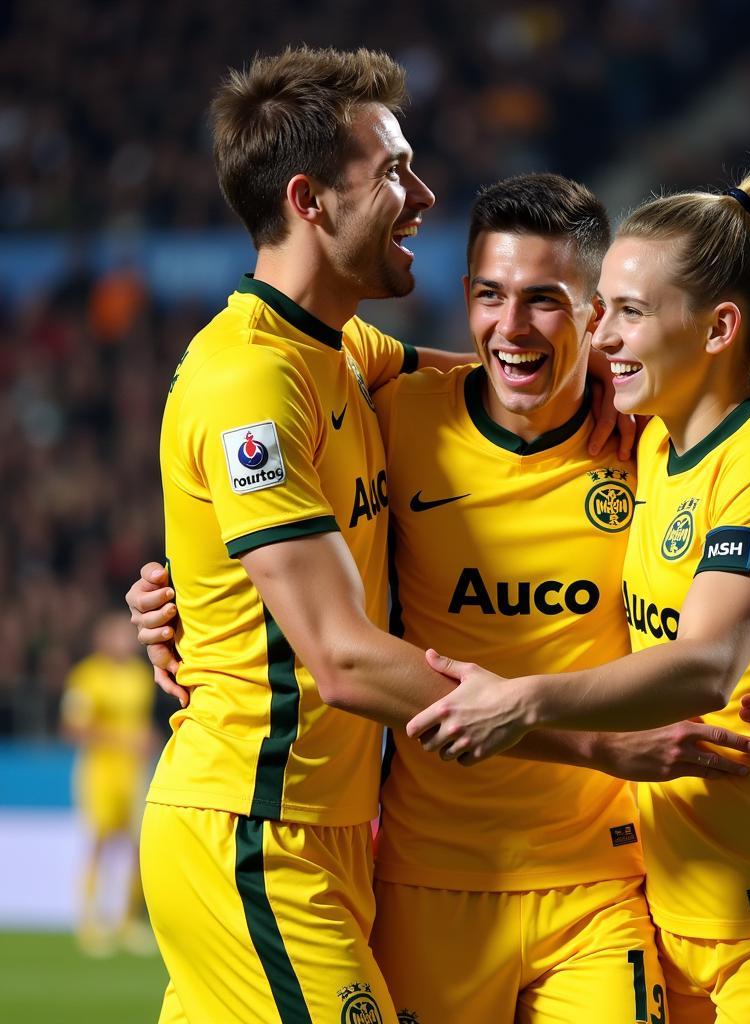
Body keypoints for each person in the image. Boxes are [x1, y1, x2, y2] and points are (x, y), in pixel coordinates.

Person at [132, 169, 750, 1022]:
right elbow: (259, 451)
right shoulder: (396, 406)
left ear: (592, 314)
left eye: (548, 301)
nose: (511, 326)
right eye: (491, 296)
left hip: (605, 883)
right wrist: (191, 599)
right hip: (430, 876)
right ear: (466, 296)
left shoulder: (652, 442)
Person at [409, 169, 750, 1023]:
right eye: (599, 310)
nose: (602, 337)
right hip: (676, 915)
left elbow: (708, 666)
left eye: (629, 312)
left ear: (718, 327)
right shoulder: (652, 450)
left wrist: (522, 703)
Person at [142, 45, 481, 1024]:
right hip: (252, 827)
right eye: (392, 172)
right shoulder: (251, 381)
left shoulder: (338, 351)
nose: (421, 192)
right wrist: (588, 730)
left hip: (321, 829)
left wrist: (641, 379)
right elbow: (339, 659)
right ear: (310, 200)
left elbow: (498, 388)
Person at [60, 612, 156, 956]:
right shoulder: (87, 676)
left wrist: (146, 740)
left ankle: (127, 922)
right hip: (100, 771)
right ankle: (89, 922)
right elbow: (72, 728)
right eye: (117, 634)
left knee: (135, 847)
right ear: (101, 639)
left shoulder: (139, 676)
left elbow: (141, 723)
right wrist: (122, 740)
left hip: (134, 772)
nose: (125, 640)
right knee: (99, 842)